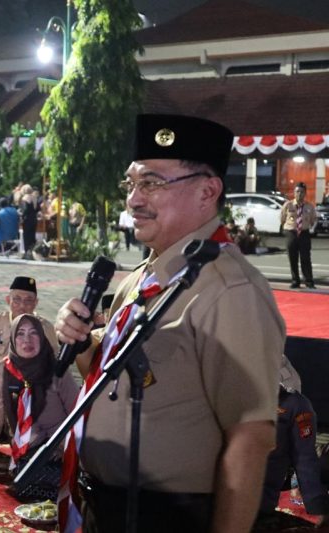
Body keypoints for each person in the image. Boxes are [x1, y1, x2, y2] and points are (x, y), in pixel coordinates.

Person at [55, 114, 284, 532]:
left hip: (170, 516)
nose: (134, 200)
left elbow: (250, 439)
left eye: (153, 183)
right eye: (132, 184)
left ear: (207, 190)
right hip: (105, 505)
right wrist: (81, 337)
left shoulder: (229, 290)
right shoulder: (144, 277)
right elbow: (105, 380)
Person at [0, 315, 78, 478]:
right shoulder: (1, 372)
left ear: (42, 338)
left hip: (59, 444)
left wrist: (66, 449)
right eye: (20, 333)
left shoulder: (57, 370)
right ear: (12, 339)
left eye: (33, 333)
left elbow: (78, 412)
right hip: (24, 445)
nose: (27, 340)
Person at [258, 384, 329, 526]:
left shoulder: (296, 405)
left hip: (261, 502)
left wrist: (317, 506)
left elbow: (304, 456)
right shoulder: (232, 394)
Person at [0, 276, 58, 365]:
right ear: (8, 300)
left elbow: (52, 363)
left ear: (35, 303)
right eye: (17, 300)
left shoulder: (45, 328)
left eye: (28, 301)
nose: (22, 306)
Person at [281, 182, 317, 289]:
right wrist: (289, 228)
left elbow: (313, 220)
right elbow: (282, 219)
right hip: (291, 233)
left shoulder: (309, 206)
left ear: (305, 193)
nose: (299, 194)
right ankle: (295, 280)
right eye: (297, 191)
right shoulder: (288, 205)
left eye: (302, 192)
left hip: (304, 234)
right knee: (293, 258)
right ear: (294, 192)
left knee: (305, 258)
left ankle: (309, 281)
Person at [19, 185, 39, 259]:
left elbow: (25, 209)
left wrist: (21, 214)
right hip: (34, 219)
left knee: (26, 237)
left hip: (27, 220)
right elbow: (37, 209)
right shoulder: (34, 198)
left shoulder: (24, 198)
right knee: (32, 236)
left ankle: (27, 253)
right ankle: (32, 252)